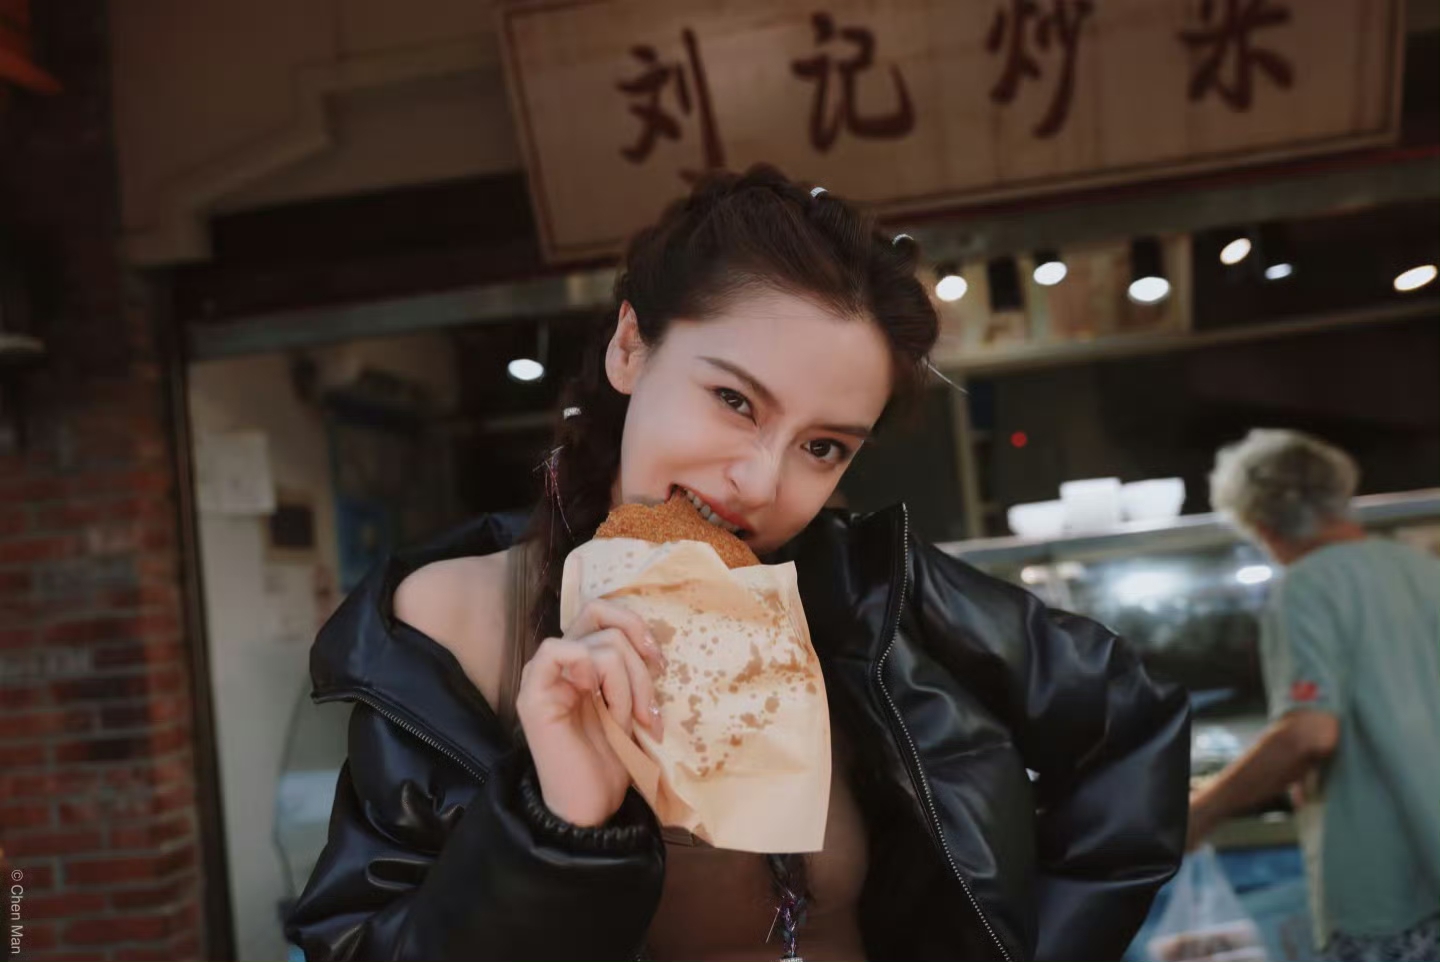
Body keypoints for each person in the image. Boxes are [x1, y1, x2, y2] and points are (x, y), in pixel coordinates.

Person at [285, 166, 1190, 962]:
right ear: (631, 347)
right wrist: (556, 822)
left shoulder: (862, 592)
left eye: (824, 447)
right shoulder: (457, 617)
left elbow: (1131, 726)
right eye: (734, 400)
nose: (762, 483)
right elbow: (362, 944)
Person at [1191, 429, 1440, 962]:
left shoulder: (1305, 583)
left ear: (1260, 524)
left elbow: (1308, 733)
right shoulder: (1422, 568)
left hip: (1387, 886)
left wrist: (1203, 810)